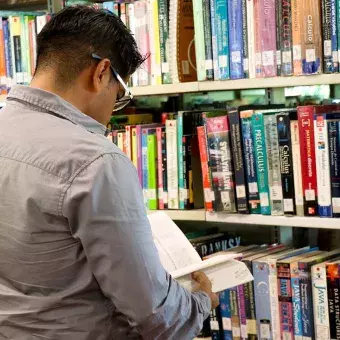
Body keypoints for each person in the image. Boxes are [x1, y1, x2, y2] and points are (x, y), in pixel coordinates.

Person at [0, 6, 219, 340]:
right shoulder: (94, 161)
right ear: (101, 73)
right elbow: (157, 314)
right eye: (119, 95)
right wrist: (201, 301)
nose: (112, 114)